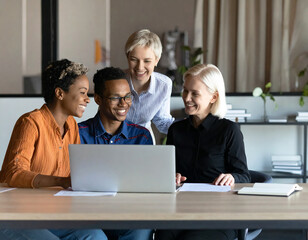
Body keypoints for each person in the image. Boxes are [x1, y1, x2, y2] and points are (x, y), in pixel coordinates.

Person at [0, 59, 107, 240]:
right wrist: (62, 181)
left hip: (53, 214)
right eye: (82, 93)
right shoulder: (31, 122)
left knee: (96, 236)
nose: (87, 99)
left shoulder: (72, 126)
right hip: (17, 216)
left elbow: (76, 171)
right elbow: (14, 173)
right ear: (59, 93)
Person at [155, 64, 251, 240]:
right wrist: (172, 176)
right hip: (180, 212)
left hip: (217, 215)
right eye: (185, 91)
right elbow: (169, 172)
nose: (187, 98)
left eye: (195, 93)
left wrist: (232, 177)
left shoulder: (229, 131)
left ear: (213, 97)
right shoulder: (176, 130)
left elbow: (244, 175)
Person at [78, 67, 153, 240]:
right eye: (115, 98)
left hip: (130, 215)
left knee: (141, 231)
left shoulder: (141, 136)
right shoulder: (78, 133)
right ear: (98, 99)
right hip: (88, 214)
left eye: (127, 96)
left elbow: (149, 184)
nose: (124, 103)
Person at [124, 29, 175, 139]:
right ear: (127, 56)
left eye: (147, 61)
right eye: (134, 59)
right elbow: (104, 118)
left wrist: (187, 127)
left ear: (157, 60)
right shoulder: (115, 80)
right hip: (114, 140)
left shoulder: (164, 85)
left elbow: (162, 121)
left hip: (144, 141)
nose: (140, 67)